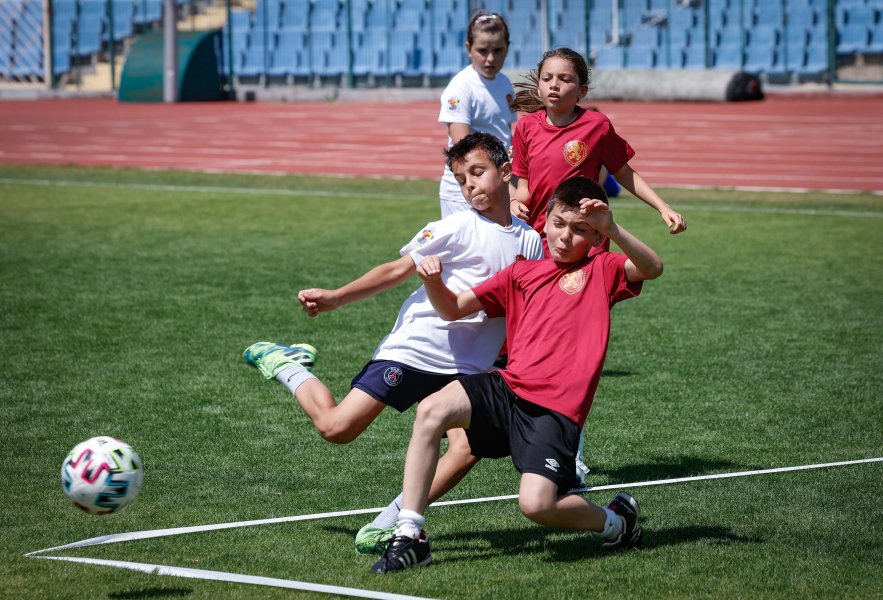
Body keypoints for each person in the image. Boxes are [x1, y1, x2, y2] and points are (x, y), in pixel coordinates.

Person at [242, 132, 543, 553]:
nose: (470, 185)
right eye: (461, 179)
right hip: (416, 349)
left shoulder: (530, 241)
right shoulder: (456, 226)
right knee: (336, 429)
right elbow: (397, 270)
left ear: (505, 170)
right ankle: (288, 364)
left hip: (469, 368)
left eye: (477, 172)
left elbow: (524, 307)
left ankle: (390, 522)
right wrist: (336, 297)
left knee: (465, 450)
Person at [370, 176, 663, 573]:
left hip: (554, 411)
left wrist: (613, 228)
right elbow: (454, 308)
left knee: (537, 505)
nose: (564, 237)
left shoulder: (602, 268)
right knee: (433, 409)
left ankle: (616, 523)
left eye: (580, 231)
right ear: (545, 220)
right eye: (559, 224)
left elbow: (652, 267)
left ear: (596, 238)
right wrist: (433, 281)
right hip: (507, 387)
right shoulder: (519, 274)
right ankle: (411, 534)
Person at [508, 47, 687, 241]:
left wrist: (663, 207)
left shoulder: (597, 125)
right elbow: (524, 188)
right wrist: (513, 202)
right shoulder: (525, 126)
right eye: (547, 78)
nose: (554, 85)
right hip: (541, 235)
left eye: (565, 79)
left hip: (585, 237)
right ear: (538, 86)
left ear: (582, 91)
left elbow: (624, 173)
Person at [438, 10, 515, 217]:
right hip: (465, 191)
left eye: (498, 50)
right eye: (482, 50)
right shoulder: (461, 88)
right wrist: (484, 182)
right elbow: (463, 147)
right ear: (468, 48)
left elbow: (507, 135)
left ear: (508, 48)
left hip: (496, 183)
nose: (490, 58)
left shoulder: (505, 84)